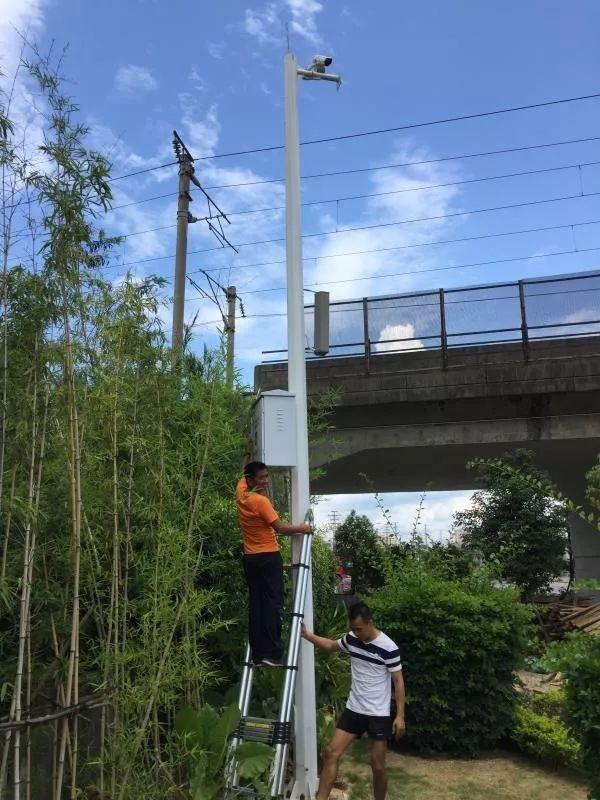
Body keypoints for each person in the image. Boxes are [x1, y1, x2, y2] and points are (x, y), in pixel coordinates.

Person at [302, 602, 405, 800]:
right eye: (352, 629)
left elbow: (398, 681)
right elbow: (332, 645)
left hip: (378, 713)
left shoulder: (388, 647)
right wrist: (308, 636)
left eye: (359, 628)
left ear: (370, 622)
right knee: (331, 753)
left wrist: (400, 716)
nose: (355, 633)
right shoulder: (351, 639)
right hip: (354, 709)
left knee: (377, 766)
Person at [236, 461, 312, 667]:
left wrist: (248, 453)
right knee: (272, 604)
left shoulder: (241, 493)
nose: (266, 481)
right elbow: (279, 527)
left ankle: (258, 654)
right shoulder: (260, 501)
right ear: (251, 479)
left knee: (256, 605)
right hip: (268, 557)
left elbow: (242, 475)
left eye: (267, 476)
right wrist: (302, 528)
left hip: (250, 559)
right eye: (261, 478)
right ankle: (272, 653)